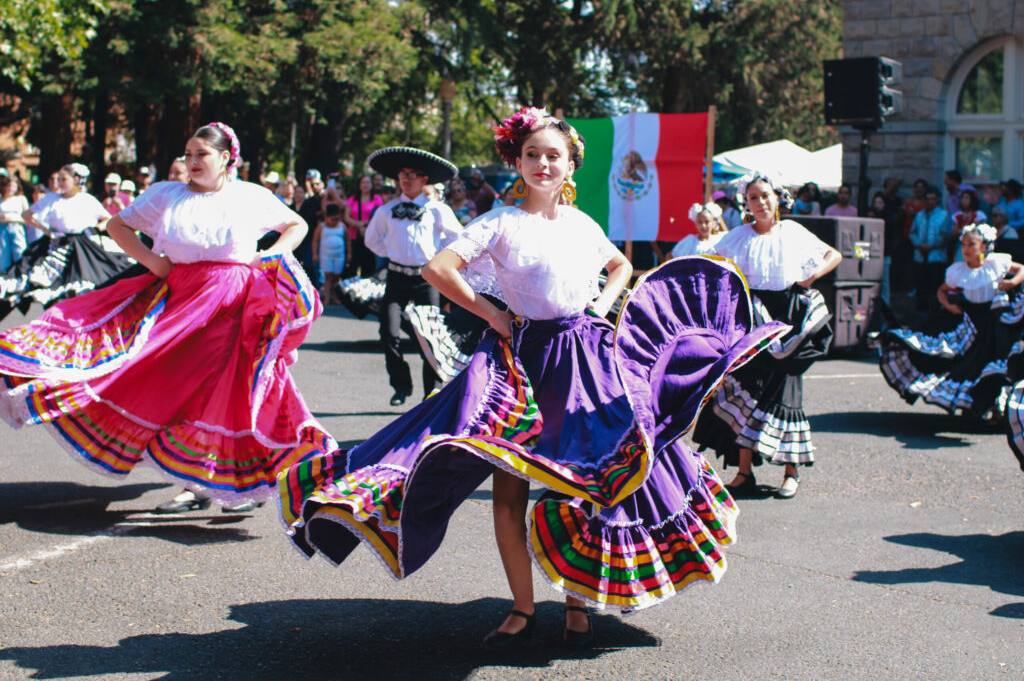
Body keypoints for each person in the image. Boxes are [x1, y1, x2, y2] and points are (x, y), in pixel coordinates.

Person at [278, 107, 785, 647]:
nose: (543, 164)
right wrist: (493, 314)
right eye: (533, 155)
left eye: (554, 156)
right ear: (517, 161)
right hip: (521, 363)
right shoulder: (498, 221)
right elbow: (438, 271)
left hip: (586, 359)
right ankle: (522, 607)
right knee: (508, 491)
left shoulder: (582, 224)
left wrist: (600, 308)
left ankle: (577, 602)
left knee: (593, 482)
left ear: (571, 166)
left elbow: (618, 267)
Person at [0, 122, 333, 514]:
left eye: (201, 154)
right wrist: (153, 262)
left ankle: (210, 483)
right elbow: (117, 225)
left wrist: (269, 256)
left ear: (226, 158)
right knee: (151, 373)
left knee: (223, 388)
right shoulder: (166, 195)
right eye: (188, 154)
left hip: (232, 301)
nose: (191, 161)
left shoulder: (250, 196)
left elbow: (296, 224)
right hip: (179, 296)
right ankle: (203, 480)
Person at [693, 172, 842, 500]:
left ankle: (791, 471)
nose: (759, 203)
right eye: (752, 198)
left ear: (778, 198)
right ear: (745, 204)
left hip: (786, 318)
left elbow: (834, 255)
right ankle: (744, 472)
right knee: (748, 387)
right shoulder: (738, 237)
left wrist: (811, 276)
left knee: (787, 392)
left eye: (765, 196)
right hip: (751, 317)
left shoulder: (792, 231)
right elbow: (710, 265)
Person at [874, 223, 1024, 421]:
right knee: (966, 365)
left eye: (971, 244)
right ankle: (974, 404)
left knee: (997, 362)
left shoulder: (996, 262)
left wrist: (1013, 282)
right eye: (963, 245)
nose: (966, 249)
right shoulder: (958, 270)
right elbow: (942, 290)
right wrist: (950, 306)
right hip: (972, 322)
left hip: (995, 320)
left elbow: (1021, 268)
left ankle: (997, 408)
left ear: (984, 246)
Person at [363, 146, 463, 406]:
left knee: (429, 338)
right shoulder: (386, 211)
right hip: (396, 277)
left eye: (413, 174)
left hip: (426, 280)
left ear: (424, 179)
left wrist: (438, 259)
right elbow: (372, 241)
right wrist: (393, 253)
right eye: (402, 174)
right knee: (388, 331)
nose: (406, 179)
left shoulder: (437, 209)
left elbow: (457, 238)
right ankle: (400, 385)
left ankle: (431, 393)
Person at [0, 163, 134, 320]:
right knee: (30, 282)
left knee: (79, 285)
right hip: (52, 244)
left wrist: (93, 228)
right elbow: (27, 215)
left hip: (79, 246)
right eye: (58, 179)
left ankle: (75, 321)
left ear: (75, 180)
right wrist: (44, 229)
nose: (60, 183)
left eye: (64, 179)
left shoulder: (86, 199)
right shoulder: (51, 198)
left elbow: (106, 219)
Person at [908, 186, 953, 311]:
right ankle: (920, 314)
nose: (930, 202)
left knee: (935, 290)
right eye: (927, 199)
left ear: (937, 200)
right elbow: (912, 232)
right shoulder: (919, 216)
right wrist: (919, 244)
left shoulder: (943, 215)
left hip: (936, 258)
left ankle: (934, 314)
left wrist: (930, 246)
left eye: (933, 199)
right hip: (920, 258)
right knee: (921, 288)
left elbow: (944, 236)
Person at [344, 174, 384, 277]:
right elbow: (346, 217)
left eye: (368, 182)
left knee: (368, 266)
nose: (366, 185)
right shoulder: (352, 199)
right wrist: (358, 225)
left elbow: (380, 216)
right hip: (354, 237)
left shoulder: (377, 199)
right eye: (363, 182)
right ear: (359, 185)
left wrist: (367, 227)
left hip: (371, 236)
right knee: (353, 265)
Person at [312, 202, 347, 304]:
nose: (334, 221)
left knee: (336, 277)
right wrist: (315, 254)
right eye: (332, 219)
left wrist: (349, 254)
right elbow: (315, 240)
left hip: (339, 255)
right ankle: (327, 298)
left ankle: (335, 297)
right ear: (326, 217)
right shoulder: (321, 227)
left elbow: (347, 240)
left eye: (337, 219)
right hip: (325, 255)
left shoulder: (342, 226)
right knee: (328, 276)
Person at [0, 174, 29, 269]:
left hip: (16, 228)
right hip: (2, 229)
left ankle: (21, 274)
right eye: (9, 186)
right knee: (3, 256)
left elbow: (28, 218)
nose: (11, 189)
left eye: (13, 186)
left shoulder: (21, 199)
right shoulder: (1, 199)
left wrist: (15, 218)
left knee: (20, 253)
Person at [950, 188, 983, 261]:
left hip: (975, 247)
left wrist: (961, 231)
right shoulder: (957, 215)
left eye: (966, 198)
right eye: (962, 198)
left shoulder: (979, 215)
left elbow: (975, 231)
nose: (964, 201)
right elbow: (954, 234)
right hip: (960, 247)